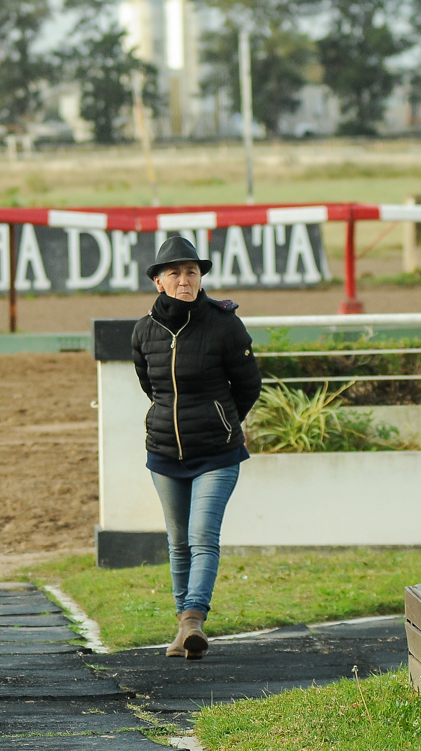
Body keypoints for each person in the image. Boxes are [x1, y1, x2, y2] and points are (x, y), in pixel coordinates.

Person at [131, 237, 262, 660]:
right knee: (178, 542)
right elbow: (150, 387)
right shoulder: (144, 330)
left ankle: (193, 620)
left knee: (202, 536)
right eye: (174, 273)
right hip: (164, 454)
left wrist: (224, 420)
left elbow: (248, 385)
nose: (184, 280)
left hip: (217, 454)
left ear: (201, 277)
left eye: (191, 272)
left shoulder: (225, 324)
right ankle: (183, 631)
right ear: (158, 281)